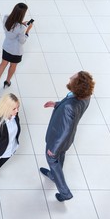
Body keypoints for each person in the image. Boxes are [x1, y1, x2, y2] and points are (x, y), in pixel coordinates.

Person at [40, 71, 95, 202]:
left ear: (76, 86)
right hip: (66, 141)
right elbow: (72, 104)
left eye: (73, 78)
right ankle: (53, 176)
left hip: (58, 141)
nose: (70, 77)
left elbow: (65, 131)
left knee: (52, 159)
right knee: (60, 156)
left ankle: (64, 192)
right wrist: (57, 104)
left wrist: (53, 149)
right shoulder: (86, 97)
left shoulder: (69, 107)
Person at [0, 3, 33, 92]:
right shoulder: (22, 28)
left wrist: (21, 24)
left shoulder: (6, 18)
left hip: (6, 47)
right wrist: (27, 30)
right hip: (16, 51)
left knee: (3, 64)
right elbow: (22, 41)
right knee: (13, 66)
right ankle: (7, 81)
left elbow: (12, 28)